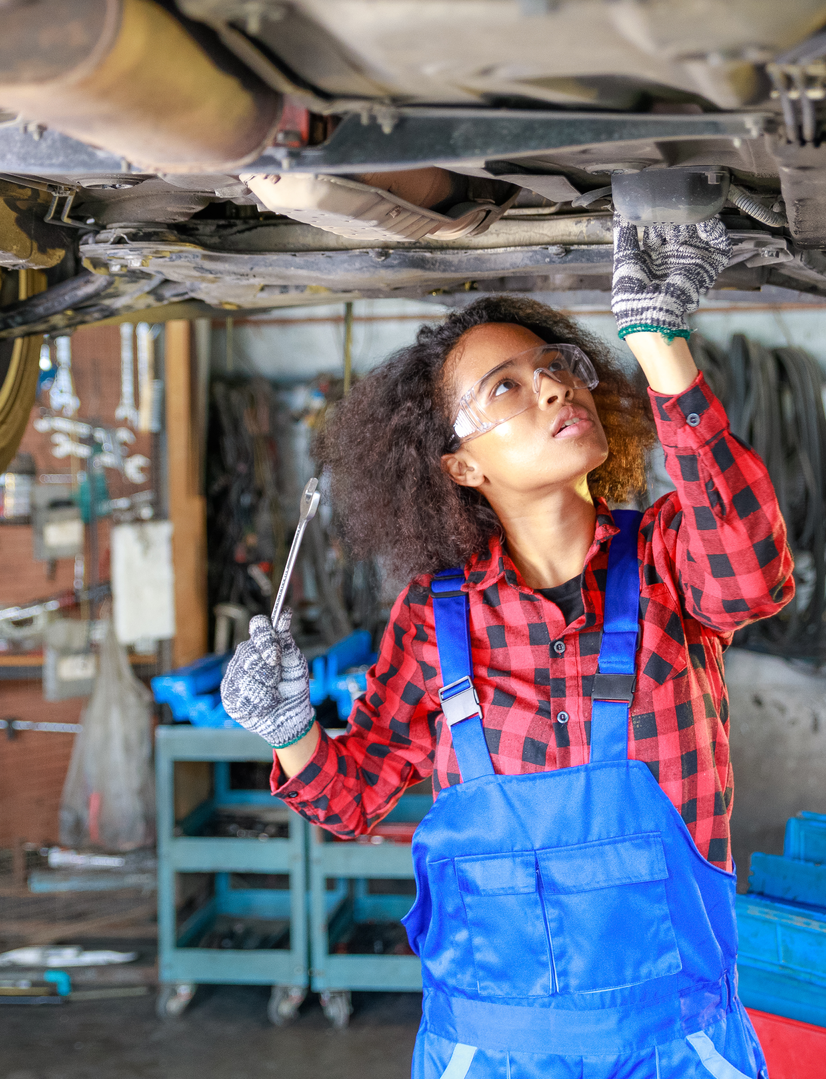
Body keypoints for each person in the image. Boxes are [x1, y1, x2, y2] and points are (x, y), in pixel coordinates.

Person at [222, 219, 794, 1079]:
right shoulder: (434, 619)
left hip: (676, 1047)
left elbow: (753, 573)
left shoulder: (668, 561)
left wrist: (658, 340)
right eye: (507, 387)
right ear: (461, 467)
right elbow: (352, 799)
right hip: (491, 1055)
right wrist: (288, 726)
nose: (554, 387)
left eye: (557, 367)